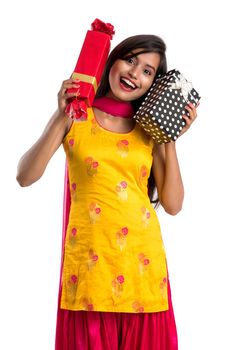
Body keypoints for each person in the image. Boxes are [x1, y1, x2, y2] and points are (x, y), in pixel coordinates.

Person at [16, 34, 198, 350]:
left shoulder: (148, 131)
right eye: (130, 60)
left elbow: (173, 204)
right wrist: (61, 114)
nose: (134, 74)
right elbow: (25, 176)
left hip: (143, 270)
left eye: (147, 71)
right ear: (112, 60)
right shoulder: (76, 115)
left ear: (153, 83)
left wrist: (168, 136)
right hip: (89, 271)